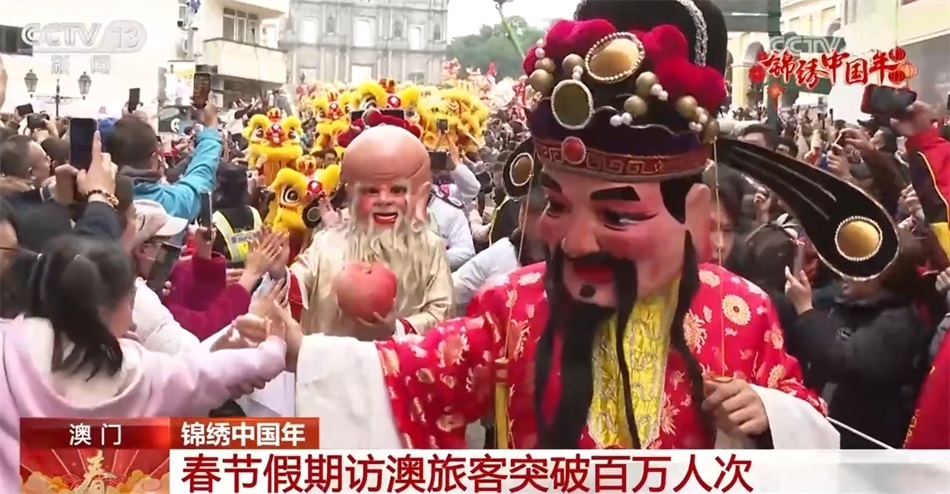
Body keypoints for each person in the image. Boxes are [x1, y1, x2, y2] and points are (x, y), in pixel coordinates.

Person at [274, 0, 903, 449]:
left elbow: (810, 421)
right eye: (556, 206)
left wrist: (768, 413)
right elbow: (419, 375)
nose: (573, 240)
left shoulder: (740, 312)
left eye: (618, 214)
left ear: (692, 215)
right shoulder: (512, 306)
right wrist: (305, 352)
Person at [0, 236, 288, 494]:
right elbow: (212, 372)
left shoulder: (7, 343)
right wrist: (273, 348)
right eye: (130, 300)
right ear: (109, 308)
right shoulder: (138, 374)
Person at [273, 124, 453, 337]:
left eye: (397, 190)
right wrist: (278, 272)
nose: (384, 200)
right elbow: (297, 288)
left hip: (398, 357)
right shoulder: (327, 242)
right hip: (332, 357)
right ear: (353, 195)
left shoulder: (429, 247)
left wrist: (396, 329)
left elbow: (442, 312)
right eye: (372, 191)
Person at [108, 101, 221, 221]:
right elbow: (200, 177)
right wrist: (211, 125)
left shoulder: (98, 205)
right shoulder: (168, 205)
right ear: (154, 159)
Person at [453, 184, 546, 309]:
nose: (525, 215)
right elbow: (451, 289)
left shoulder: (566, 268)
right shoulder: (502, 251)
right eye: (523, 206)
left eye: (535, 211)